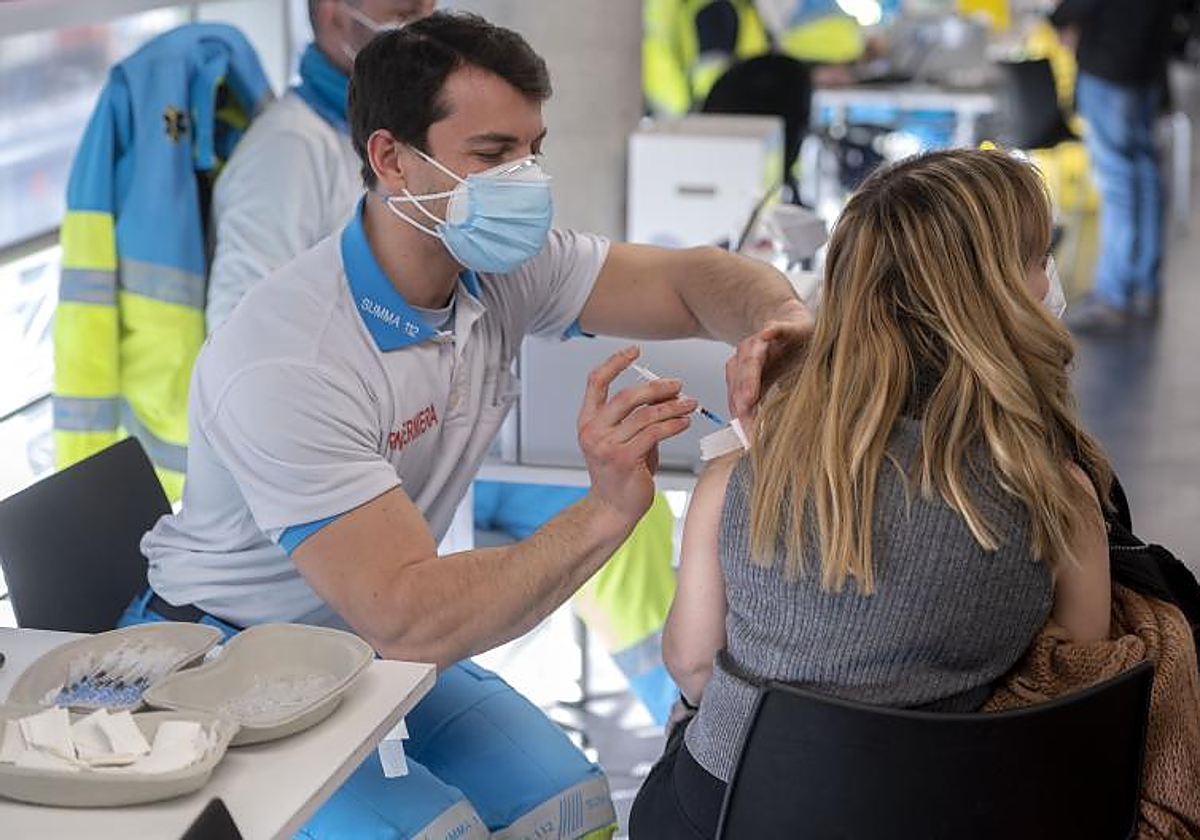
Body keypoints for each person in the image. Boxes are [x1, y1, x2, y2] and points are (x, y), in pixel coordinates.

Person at [120, 12, 811, 839]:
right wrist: (605, 510)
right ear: (392, 160)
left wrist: (782, 325)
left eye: (533, 150)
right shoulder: (291, 358)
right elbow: (413, 619)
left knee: (574, 807)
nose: (526, 179)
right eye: (492, 154)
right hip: (230, 656)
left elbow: (689, 280)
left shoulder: (497, 270)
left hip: (360, 645)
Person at [630, 148, 1115, 838]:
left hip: (731, 811)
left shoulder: (740, 476)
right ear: (999, 295)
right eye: (1040, 259)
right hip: (951, 813)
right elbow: (1075, 678)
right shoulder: (1057, 493)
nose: (1050, 280)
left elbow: (691, 665)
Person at [205, 0, 435, 334]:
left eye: (431, 15)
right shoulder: (288, 147)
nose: (425, 39)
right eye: (403, 18)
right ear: (334, 13)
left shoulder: (382, 136)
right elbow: (241, 328)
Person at [1050, 0, 1180, 332]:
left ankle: (1114, 295)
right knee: (1145, 176)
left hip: (1109, 65)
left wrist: (1060, 16)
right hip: (1148, 65)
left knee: (1118, 182)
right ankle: (1144, 286)